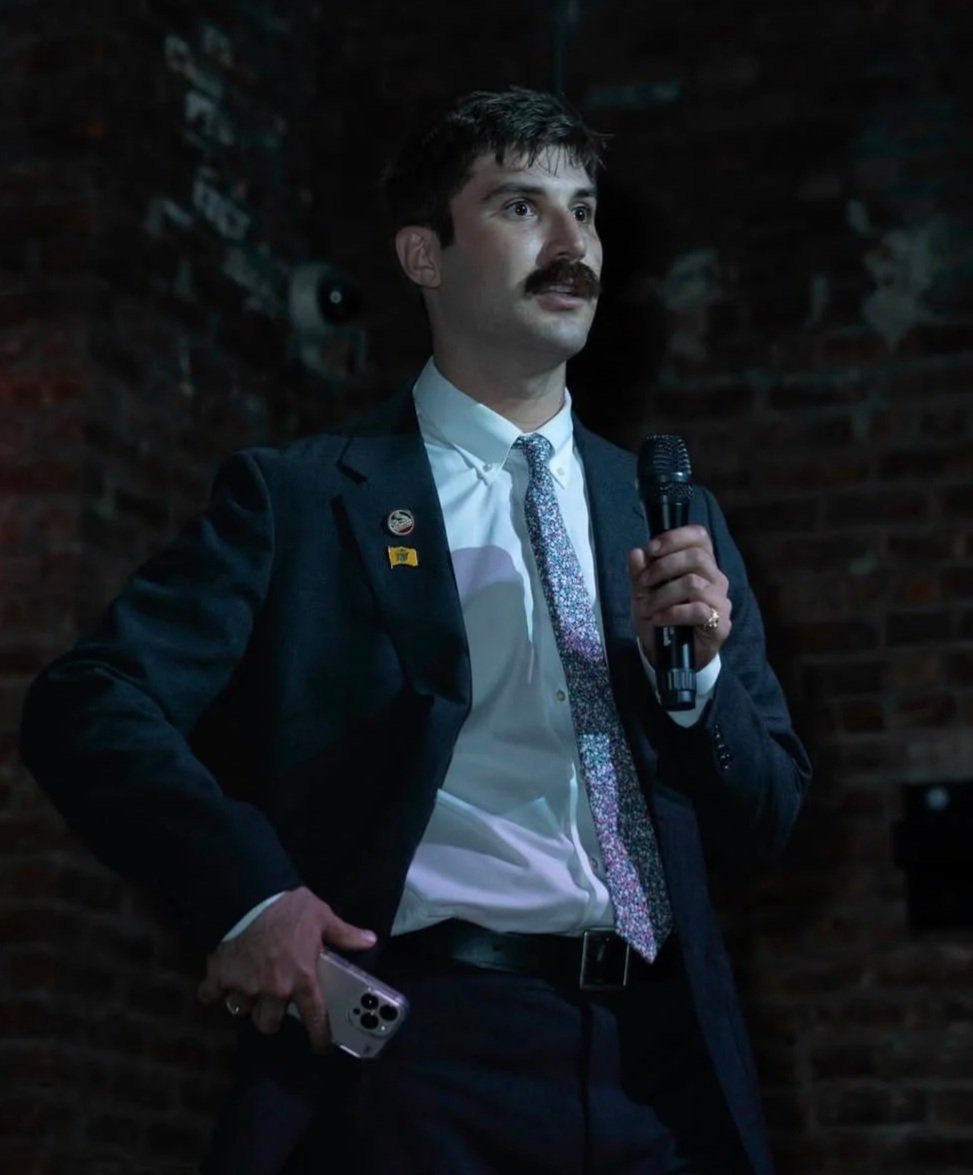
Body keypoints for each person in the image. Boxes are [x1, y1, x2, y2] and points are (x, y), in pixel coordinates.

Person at [21, 87, 811, 1175]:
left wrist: (695, 687)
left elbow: (765, 820)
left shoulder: (669, 513)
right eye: (523, 207)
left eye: (585, 209)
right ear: (423, 254)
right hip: (420, 1054)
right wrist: (248, 893)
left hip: (660, 1063)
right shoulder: (305, 498)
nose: (573, 240)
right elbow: (89, 700)